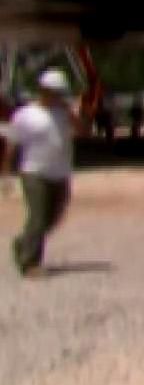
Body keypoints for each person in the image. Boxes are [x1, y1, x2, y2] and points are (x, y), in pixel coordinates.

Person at [3, 69, 79, 277]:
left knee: (53, 218)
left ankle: (23, 243)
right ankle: (30, 264)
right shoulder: (25, 115)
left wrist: (72, 113)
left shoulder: (64, 113)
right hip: (34, 172)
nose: (59, 97)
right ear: (44, 91)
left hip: (60, 173)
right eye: (56, 92)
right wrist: (7, 174)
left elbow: (84, 129)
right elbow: (12, 144)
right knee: (37, 217)